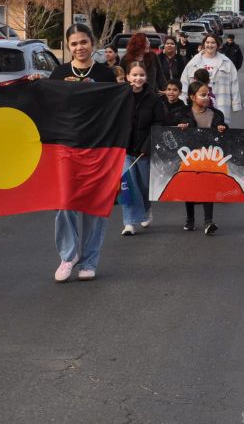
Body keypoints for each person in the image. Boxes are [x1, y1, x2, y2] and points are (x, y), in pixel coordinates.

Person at [51, 24, 118, 283]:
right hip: (66, 147)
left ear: (93, 43)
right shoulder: (58, 74)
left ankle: (89, 261)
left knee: (95, 206)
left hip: (98, 148)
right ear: (68, 47)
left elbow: (114, 109)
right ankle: (68, 256)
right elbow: (49, 107)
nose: (79, 47)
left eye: (83, 42)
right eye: (74, 44)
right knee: (64, 203)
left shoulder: (105, 75)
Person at [175, 80, 228, 234]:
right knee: (190, 187)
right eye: (202, 95)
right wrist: (181, 126)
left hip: (209, 157)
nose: (206, 98)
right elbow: (174, 130)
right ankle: (190, 219)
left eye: (208, 95)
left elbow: (224, 133)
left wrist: (222, 128)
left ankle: (208, 221)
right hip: (190, 157)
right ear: (192, 97)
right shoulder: (183, 113)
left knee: (208, 186)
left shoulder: (217, 114)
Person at [120, 61, 165, 236]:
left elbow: (159, 122)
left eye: (141, 75)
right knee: (128, 186)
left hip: (145, 150)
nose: (138, 78)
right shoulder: (121, 96)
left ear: (146, 77)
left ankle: (146, 209)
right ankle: (129, 223)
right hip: (125, 149)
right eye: (135, 75)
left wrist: (148, 145)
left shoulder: (153, 98)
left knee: (144, 186)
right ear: (128, 77)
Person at [180, 33, 242, 123]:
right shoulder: (193, 62)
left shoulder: (227, 62)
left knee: (220, 132)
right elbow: (184, 82)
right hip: (198, 107)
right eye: (207, 42)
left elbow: (234, 83)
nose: (210, 45)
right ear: (204, 44)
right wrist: (183, 101)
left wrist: (235, 103)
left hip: (221, 105)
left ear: (217, 45)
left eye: (213, 43)